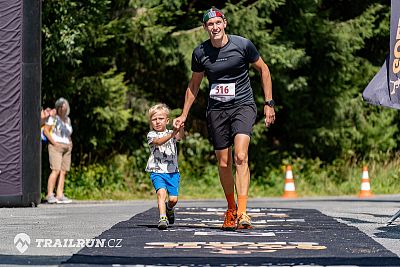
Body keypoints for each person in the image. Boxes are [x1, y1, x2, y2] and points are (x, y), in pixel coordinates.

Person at [173, 7, 275, 230]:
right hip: (217, 110)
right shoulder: (200, 53)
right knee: (223, 162)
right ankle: (231, 208)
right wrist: (183, 114)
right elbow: (194, 85)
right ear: (205, 28)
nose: (215, 28)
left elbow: (264, 70)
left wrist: (268, 103)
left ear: (225, 24)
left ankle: (243, 212)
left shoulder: (242, 45)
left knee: (240, 155)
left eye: (218, 23)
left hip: (243, 105)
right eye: (210, 25)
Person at [145, 103, 184, 230]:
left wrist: (180, 127)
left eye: (160, 119)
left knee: (173, 199)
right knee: (161, 193)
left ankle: (169, 209)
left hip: (172, 172)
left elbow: (179, 136)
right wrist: (173, 133)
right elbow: (159, 142)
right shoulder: (151, 135)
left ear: (167, 120)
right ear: (151, 122)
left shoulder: (171, 132)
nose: (157, 122)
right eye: (154, 119)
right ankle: (162, 218)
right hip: (157, 171)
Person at [43, 98, 73, 204]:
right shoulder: (53, 118)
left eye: (64, 106)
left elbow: (68, 134)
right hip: (56, 146)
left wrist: (70, 143)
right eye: (61, 106)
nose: (63, 108)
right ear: (58, 107)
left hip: (67, 147)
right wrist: (54, 143)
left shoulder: (67, 120)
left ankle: (60, 195)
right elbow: (46, 131)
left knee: (63, 171)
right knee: (55, 170)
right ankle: (50, 194)